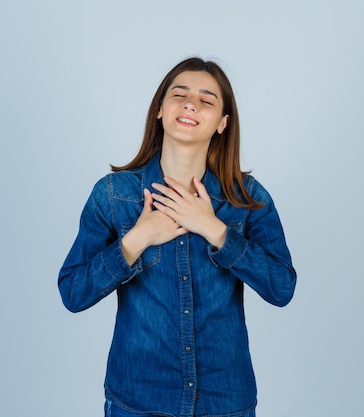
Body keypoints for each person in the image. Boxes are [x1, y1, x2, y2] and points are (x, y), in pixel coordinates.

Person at [58, 57, 296, 417]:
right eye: (180, 94)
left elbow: (282, 288)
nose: (190, 104)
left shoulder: (246, 199)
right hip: (138, 402)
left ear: (222, 123)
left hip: (225, 402)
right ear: (160, 110)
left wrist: (214, 229)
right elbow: (73, 293)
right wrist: (136, 239)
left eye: (207, 100)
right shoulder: (113, 195)